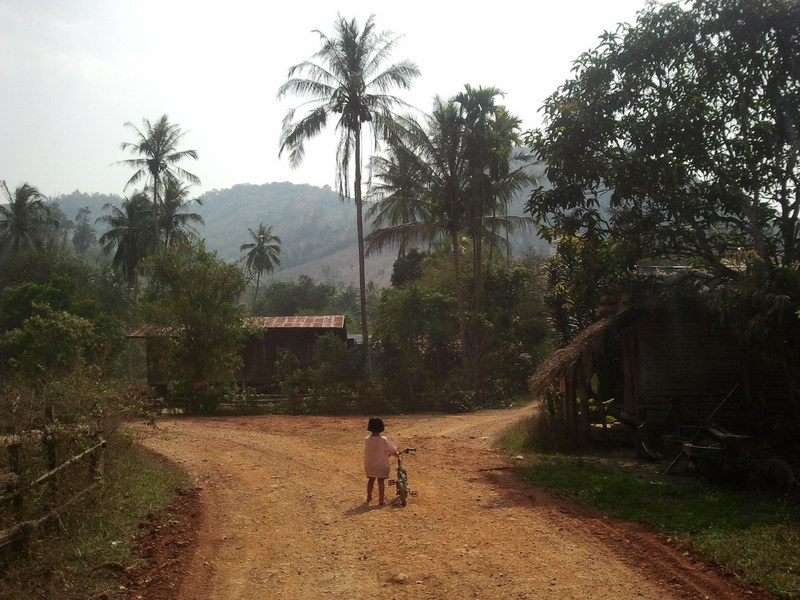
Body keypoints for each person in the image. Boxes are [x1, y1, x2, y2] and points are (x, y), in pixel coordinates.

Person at [364, 417, 399, 505]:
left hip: (370, 463)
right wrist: (396, 453)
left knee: (371, 480)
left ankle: (369, 497)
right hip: (381, 464)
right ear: (381, 427)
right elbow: (391, 450)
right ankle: (381, 500)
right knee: (381, 481)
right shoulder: (383, 439)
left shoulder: (367, 439)